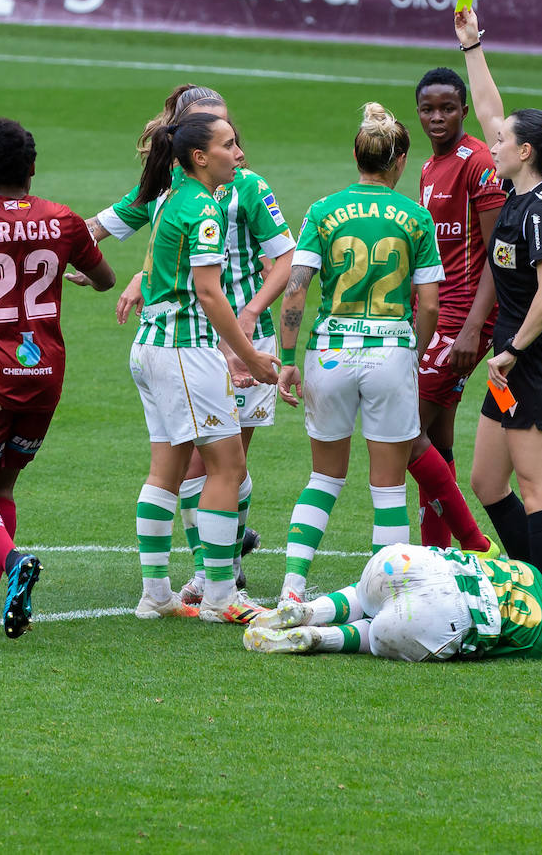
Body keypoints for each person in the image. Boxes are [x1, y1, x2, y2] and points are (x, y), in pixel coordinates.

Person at [82, 85, 295, 603]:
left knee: (219, 462)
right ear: (191, 145)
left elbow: (282, 260)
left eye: (232, 132)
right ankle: (215, 578)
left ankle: (208, 565)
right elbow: (114, 232)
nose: (236, 147)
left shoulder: (244, 188)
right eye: (222, 136)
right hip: (196, 344)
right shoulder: (176, 190)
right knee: (214, 465)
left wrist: (246, 320)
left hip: (227, 334)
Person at [0, 118, 115, 639]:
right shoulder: (63, 221)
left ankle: (14, 561)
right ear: (32, 167)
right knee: (3, 484)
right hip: (44, 375)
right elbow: (105, 281)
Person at [453, 7, 542, 600]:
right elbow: (491, 109)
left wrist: (512, 348)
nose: (494, 140)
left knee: (539, 490)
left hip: (531, 364)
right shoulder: (518, 190)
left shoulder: (540, 212)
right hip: (507, 362)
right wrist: (472, 47)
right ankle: (531, 585)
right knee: (487, 481)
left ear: (527, 151)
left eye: (504, 140)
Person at [276, 102, 445, 601]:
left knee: (324, 477)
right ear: (399, 162)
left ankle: (291, 586)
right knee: (388, 488)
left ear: (356, 155)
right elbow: (431, 305)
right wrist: (411, 349)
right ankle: (389, 598)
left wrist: (287, 359)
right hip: (389, 351)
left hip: (328, 353)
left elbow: (296, 293)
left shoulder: (323, 211)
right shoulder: (415, 216)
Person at [127, 111, 279, 623]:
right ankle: (220, 597)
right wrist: (251, 355)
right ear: (199, 157)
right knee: (228, 467)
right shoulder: (205, 209)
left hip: (150, 346)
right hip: (184, 352)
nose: (238, 154)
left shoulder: (173, 194)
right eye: (229, 145)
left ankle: (155, 596)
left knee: (165, 470)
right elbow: (211, 295)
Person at [242, 543, 542, 661]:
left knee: (365, 596)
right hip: (436, 614)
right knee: (380, 630)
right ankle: (316, 638)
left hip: (402, 562)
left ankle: (310, 609)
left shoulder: (535, 573)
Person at [407, 67, 504, 554]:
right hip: (437, 318)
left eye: (448, 108)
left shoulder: (478, 163)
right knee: (436, 444)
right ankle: (438, 556)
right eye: (428, 109)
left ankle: (473, 545)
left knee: (405, 433)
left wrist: (472, 331)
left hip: (461, 322)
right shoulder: (429, 167)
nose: (438, 117)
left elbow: (498, 254)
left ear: (464, 109)